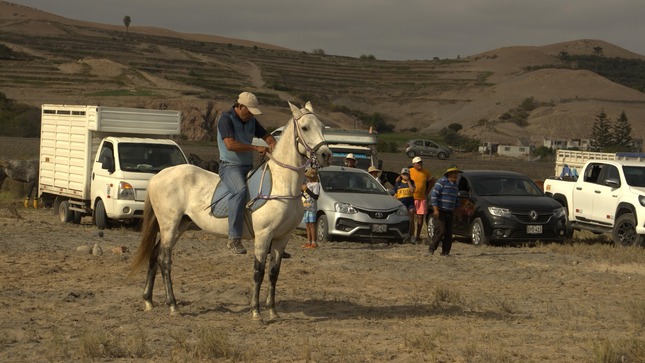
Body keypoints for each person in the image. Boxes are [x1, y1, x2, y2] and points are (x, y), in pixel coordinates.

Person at [217, 91, 277, 255]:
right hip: (230, 166)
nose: (250, 115)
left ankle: (269, 239)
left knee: (267, 192)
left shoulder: (251, 121)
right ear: (240, 106)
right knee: (240, 191)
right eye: (248, 111)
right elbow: (230, 145)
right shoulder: (226, 119)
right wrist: (256, 147)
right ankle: (234, 239)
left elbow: (267, 136)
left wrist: (271, 143)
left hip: (248, 166)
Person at [429, 165, 462, 256]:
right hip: (441, 210)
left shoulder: (455, 186)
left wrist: (457, 210)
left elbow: (456, 199)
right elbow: (434, 195)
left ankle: (445, 252)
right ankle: (432, 248)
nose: (456, 176)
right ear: (449, 174)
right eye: (454, 174)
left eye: (457, 174)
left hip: (450, 211)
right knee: (441, 230)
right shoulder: (441, 182)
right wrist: (435, 209)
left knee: (449, 233)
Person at [408, 156, 433, 244]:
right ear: (413, 164)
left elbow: (432, 181)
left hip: (421, 198)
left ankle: (418, 236)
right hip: (411, 197)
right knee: (411, 217)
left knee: (420, 217)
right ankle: (411, 235)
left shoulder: (426, 172)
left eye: (420, 162)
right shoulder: (410, 171)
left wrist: (427, 192)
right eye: (418, 163)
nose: (419, 164)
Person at [393, 167, 416, 243]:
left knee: (411, 219)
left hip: (410, 203)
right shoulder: (398, 183)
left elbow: (412, 190)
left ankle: (412, 235)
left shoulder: (412, 182)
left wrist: (408, 181)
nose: (405, 176)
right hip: (401, 204)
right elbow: (395, 194)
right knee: (402, 220)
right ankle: (403, 235)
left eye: (407, 174)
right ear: (401, 175)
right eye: (404, 174)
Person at [301, 167, 320, 248]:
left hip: (312, 207)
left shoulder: (316, 185)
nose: (307, 178)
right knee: (307, 224)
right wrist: (302, 190)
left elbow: (315, 196)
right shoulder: (308, 184)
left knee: (312, 224)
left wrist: (307, 190)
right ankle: (308, 241)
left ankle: (314, 241)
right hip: (306, 206)